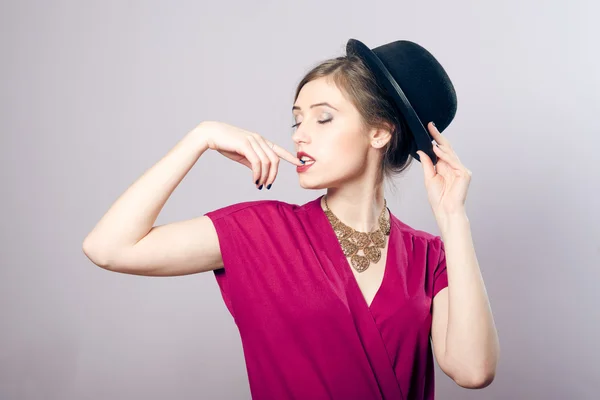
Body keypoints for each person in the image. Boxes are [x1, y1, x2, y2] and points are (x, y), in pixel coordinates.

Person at [82, 39, 499, 399]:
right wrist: (201, 137)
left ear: (380, 132)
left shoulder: (430, 255)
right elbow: (108, 248)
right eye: (297, 119)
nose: (299, 134)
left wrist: (453, 217)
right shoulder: (260, 231)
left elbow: (473, 370)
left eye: (323, 118)